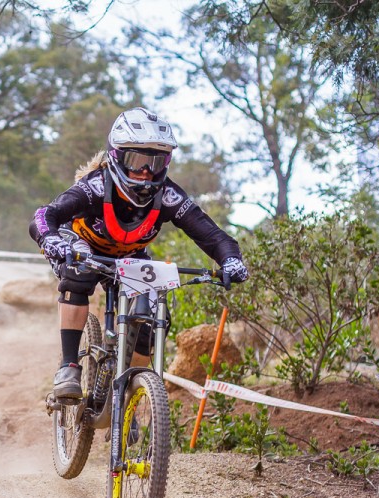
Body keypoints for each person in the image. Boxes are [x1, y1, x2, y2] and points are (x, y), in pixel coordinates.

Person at [29, 106, 248, 402]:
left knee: (154, 309)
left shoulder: (168, 196)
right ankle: (69, 365)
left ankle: (131, 393)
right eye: (137, 160)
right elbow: (45, 215)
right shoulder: (95, 186)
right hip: (82, 246)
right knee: (78, 273)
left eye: (155, 162)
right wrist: (51, 240)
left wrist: (230, 260)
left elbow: (212, 235)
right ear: (117, 156)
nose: (146, 171)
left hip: (129, 255)